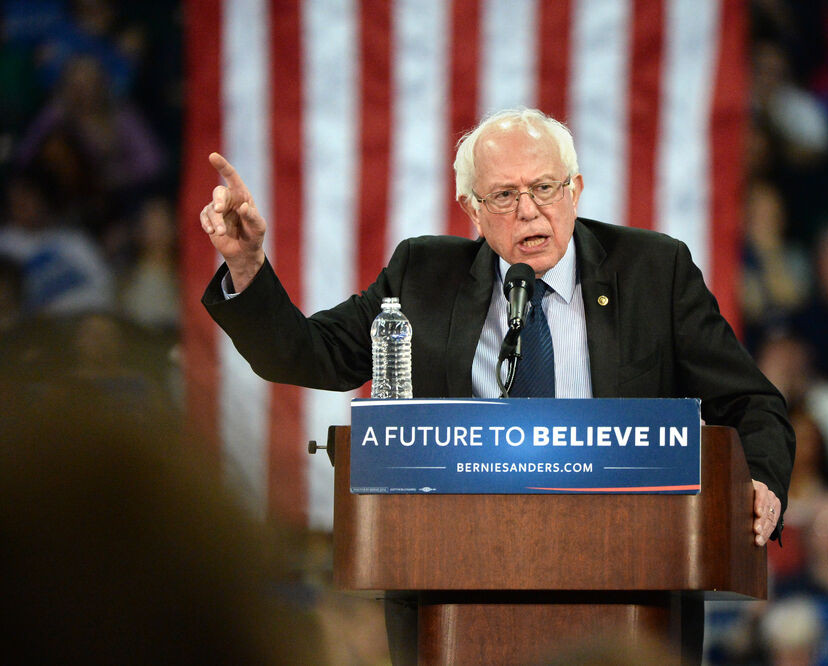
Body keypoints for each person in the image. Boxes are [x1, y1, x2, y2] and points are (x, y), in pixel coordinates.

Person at [198, 108, 795, 663]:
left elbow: (751, 402)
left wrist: (761, 479)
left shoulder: (652, 271)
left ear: (576, 190)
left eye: (544, 188)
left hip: (628, 577)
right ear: (472, 210)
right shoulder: (423, 275)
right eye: (504, 196)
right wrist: (247, 265)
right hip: (451, 586)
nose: (529, 211)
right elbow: (310, 354)